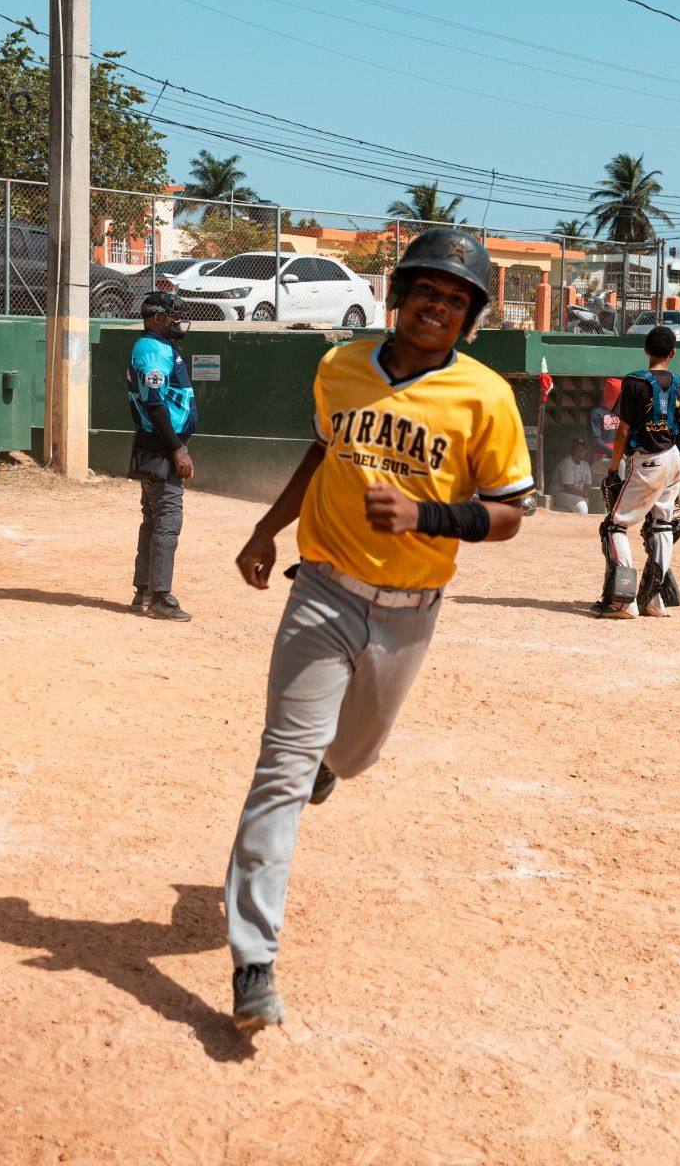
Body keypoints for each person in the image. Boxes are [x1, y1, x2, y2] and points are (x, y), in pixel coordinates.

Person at [224, 228, 534, 1033]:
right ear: (400, 295)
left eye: (457, 299)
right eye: (428, 290)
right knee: (279, 769)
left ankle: (335, 763)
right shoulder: (340, 367)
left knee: (352, 756)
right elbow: (323, 452)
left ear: (470, 317)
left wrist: (428, 515)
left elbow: (509, 515)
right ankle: (254, 962)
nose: (439, 306)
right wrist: (268, 528)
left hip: (409, 611)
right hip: (322, 590)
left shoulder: (484, 397)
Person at [594, 325, 680, 617]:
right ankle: (653, 600)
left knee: (614, 525)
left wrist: (613, 469)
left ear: (646, 350)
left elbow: (623, 431)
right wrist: (678, 484)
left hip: (648, 460)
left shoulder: (635, 382)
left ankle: (624, 601)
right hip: (674, 459)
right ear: (672, 353)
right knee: (662, 524)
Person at [127, 290, 197, 621]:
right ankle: (159, 596)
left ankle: (143, 592)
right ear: (157, 318)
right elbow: (154, 404)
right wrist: (177, 448)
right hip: (161, 446)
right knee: (167, 519)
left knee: (154, 519)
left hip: (158, 444)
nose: (178, 322)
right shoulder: (152, 351)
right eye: (173, 317)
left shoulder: (160, 347)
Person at [587, 378, 621, 478]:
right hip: (601, 458)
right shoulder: (596, 413)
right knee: (621, 464)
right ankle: (619, 493)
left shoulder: (621, 413)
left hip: (620, 455)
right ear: (613, 395)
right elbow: (595, 441)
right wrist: (614, 453)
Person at [550, 437, 595, 512]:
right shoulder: (567, 463)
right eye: (578, 450)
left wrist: (585, 494)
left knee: (585, 501)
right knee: (581, 504)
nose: (581, 452)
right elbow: (568, 488)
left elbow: (587, 486)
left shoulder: (586, 465)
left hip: (576, 494)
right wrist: (584, 494)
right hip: (559, 494)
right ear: (572, 450)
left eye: (583, 450)